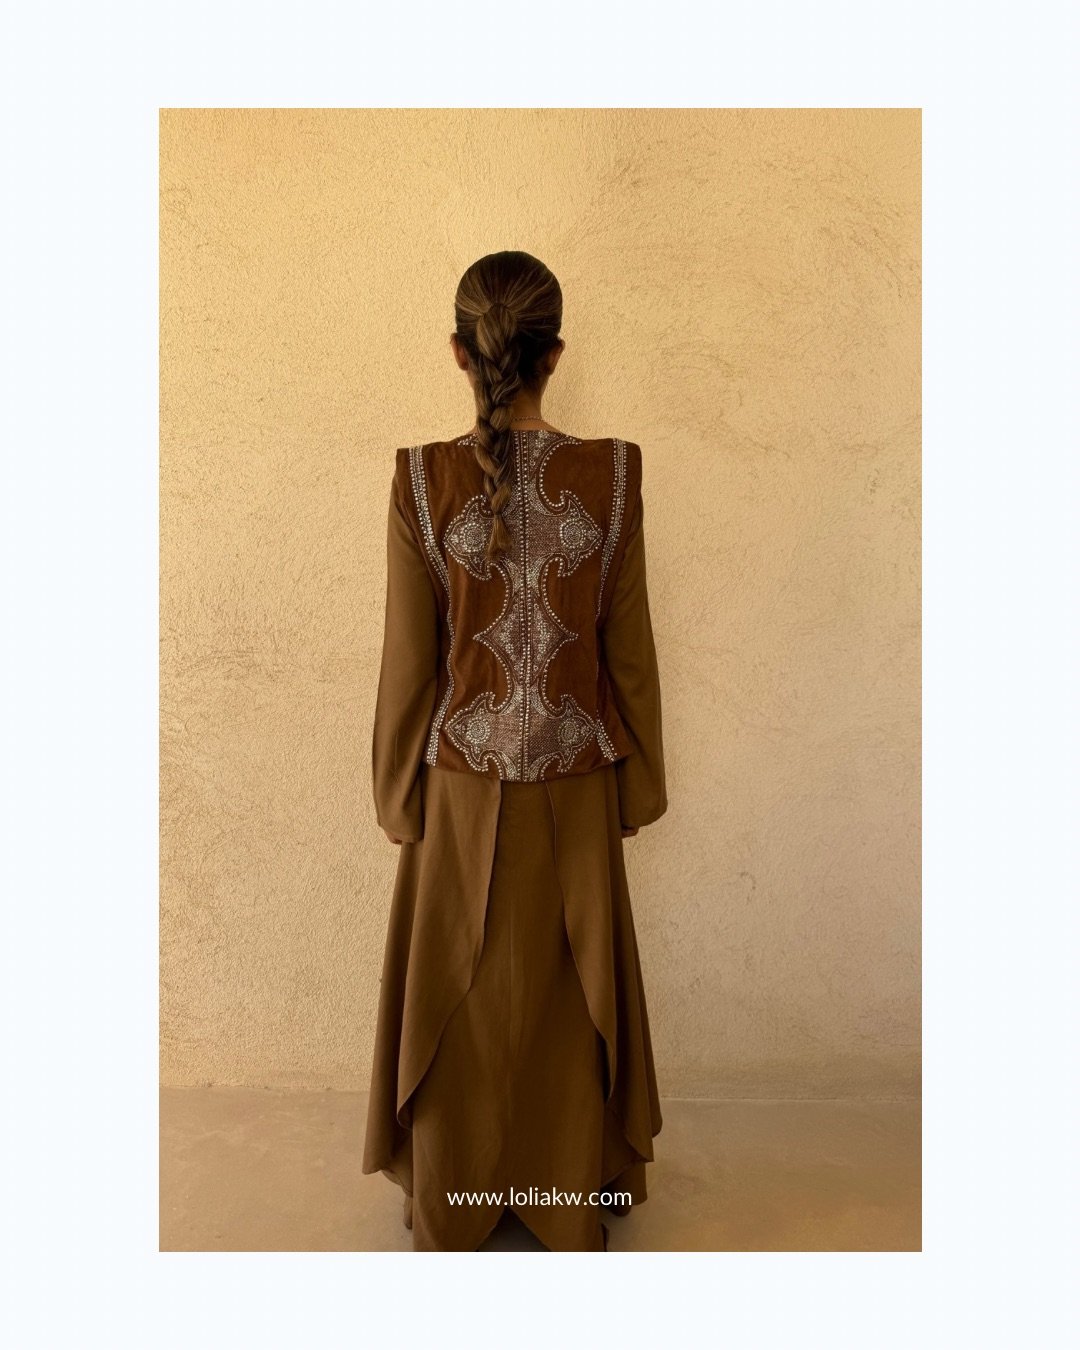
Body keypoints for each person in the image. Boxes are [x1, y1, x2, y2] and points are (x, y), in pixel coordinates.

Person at [361, 249, 668, 1251]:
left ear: (460, 353)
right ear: (556, 354)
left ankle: (456, 1196)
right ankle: (568, 1196)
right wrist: (638, 789)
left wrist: (397, 797)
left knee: (460, 1004)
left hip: (457, 799)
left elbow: (409, 665)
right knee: (569, 1002)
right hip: (578, 795)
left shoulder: (422, 480)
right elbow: (631, 655)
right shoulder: (612, 476)